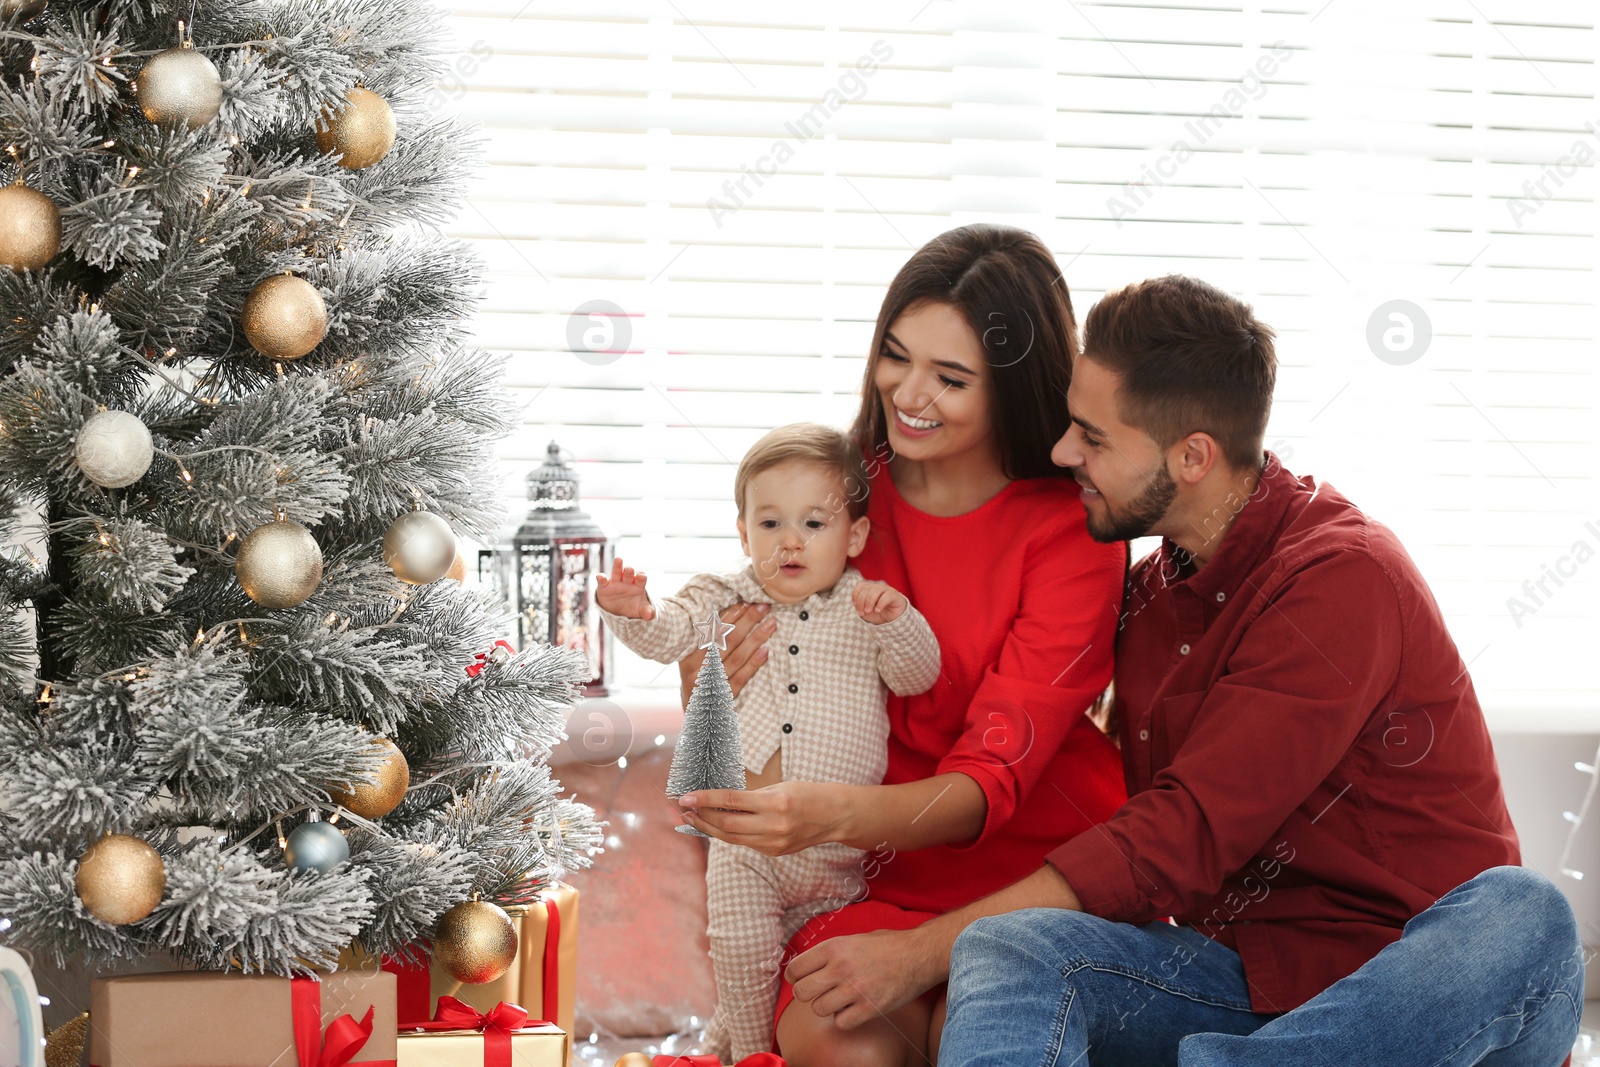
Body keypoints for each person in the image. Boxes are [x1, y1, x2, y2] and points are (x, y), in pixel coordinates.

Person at [814, 273, 1585, 1065]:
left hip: (1416, 993)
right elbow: (1012, 690)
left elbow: (1177, 836)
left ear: (1192, 456)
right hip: (1243, 987)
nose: (1062, 451)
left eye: (1093, 436)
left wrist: (914, 953)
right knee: (1006, 947)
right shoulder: (1150, 595)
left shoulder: (1340, 578)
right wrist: (774, 628)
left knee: (1523, 913)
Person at [673, 223, 1130, 1065]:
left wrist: (827, 814)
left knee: (985, 1035)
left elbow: (995, 773)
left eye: (951, 377)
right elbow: (753, 673)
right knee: (834, 1042)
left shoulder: (1072, 531)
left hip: (1032, 881)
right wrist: (710, 677)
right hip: (864, 877)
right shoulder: (834, 493)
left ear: (1012, 387)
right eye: (895, 354)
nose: (908, 391)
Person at [594, 422, 943, 1061]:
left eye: (814, 524)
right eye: (770, 523)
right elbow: (670, 634)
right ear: (743, 532)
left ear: (854, 535)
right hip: (744, 839)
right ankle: (756, 1055)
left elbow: (918, 674)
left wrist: (900, 622)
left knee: (803, 973)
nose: (790, 541)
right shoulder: (722, 597)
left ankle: (725, 1045)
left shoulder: (864, 608)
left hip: (841, 852)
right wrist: (634, 612)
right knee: (741, 951)